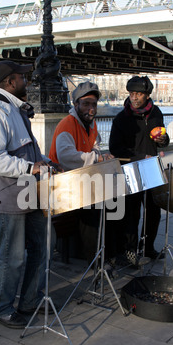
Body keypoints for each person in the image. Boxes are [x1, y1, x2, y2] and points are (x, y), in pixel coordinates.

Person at [0, 60, 61, 329]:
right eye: (24, 77)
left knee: (45, 241)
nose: (29, 81)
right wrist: (29, 167)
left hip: (26, 192)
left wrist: (44, 161)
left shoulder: (14, 109)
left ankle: (29, 300)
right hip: (6, 195)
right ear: (11, 82)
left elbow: (26, 150)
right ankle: (0, 309)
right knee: (12, 256)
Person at [49, 81, 113, 264]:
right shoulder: (66, 125)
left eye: (93, 104)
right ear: (75, 104)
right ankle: (94, 259)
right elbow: (66, 156)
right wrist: (96, 159)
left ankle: (108, 251)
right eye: (86, 104)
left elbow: (94, 148)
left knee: (112, 203)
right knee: (92, 209)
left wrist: (102, 155)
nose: (91, 109)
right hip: (60, 186)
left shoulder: (91, 125)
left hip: (78, 183)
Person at [109, 75, 170, 266]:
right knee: (132, 212)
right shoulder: (121, 119)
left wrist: (163, 141)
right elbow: (115, 148)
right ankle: (130, 250)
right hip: (131, 168)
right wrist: (138, 157)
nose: (134, 97)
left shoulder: (156, 112)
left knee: (154, 211)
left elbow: (163, 137)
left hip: (152, 167)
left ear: (147, 95)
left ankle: (148, 247)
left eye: (139, 94)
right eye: (132, 93)